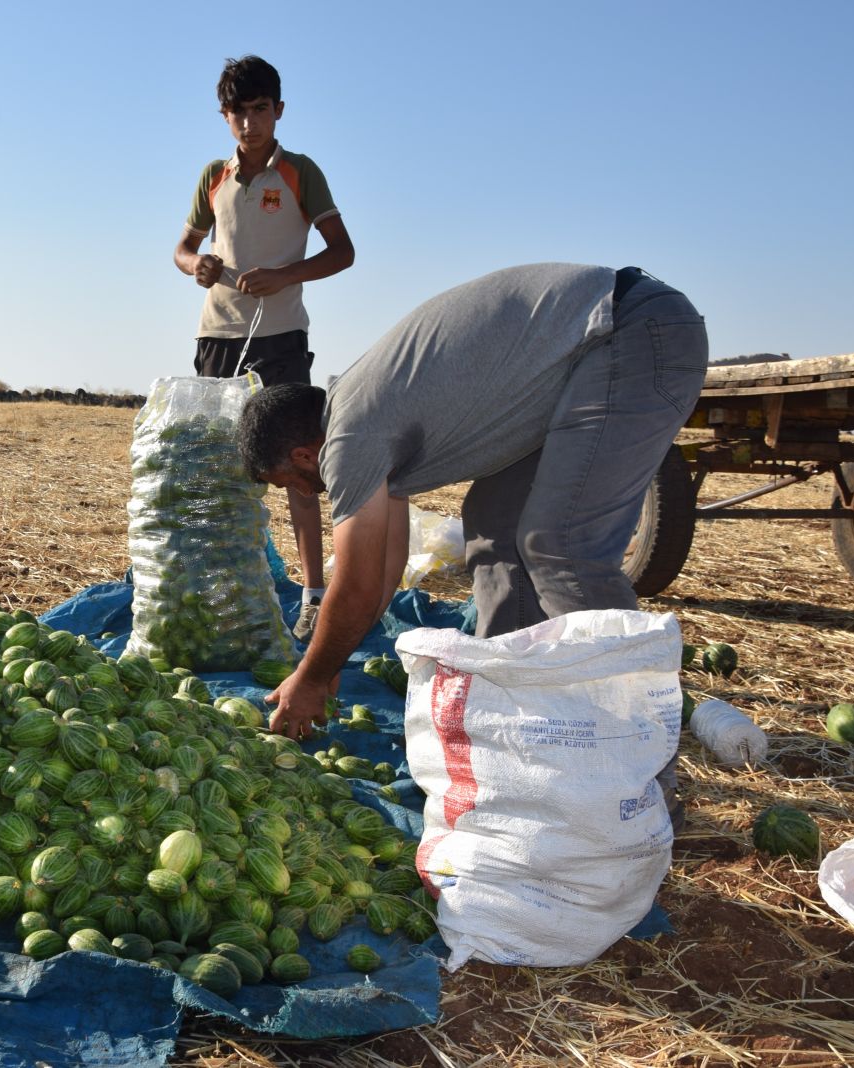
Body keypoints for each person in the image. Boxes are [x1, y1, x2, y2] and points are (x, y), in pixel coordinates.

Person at [237, 262, 709, 747]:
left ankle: (631, 749)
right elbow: (384, 570)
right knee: (495, 531)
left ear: (303, 454)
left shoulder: (350, 436)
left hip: (628, 331)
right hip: (583, 357)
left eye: (291, 482)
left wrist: (312, 678)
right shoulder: (363, 416)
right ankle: (519, 722)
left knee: (559, 546)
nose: (303, 493)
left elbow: (355, 584)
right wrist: (331, 661)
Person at [173, 54, 355, 642]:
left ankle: (312, 595)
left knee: (298, 464)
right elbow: (182, 248)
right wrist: (196, 265)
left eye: (260, 110)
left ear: (278, 111)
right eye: (238, 113)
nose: (250, 123)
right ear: (224, 117)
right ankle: (223, 590)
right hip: (217, 334)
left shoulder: (300, 172)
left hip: (280, 336)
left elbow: (342, 251)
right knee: (221, 465)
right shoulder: (213, 176)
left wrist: (285, 275)